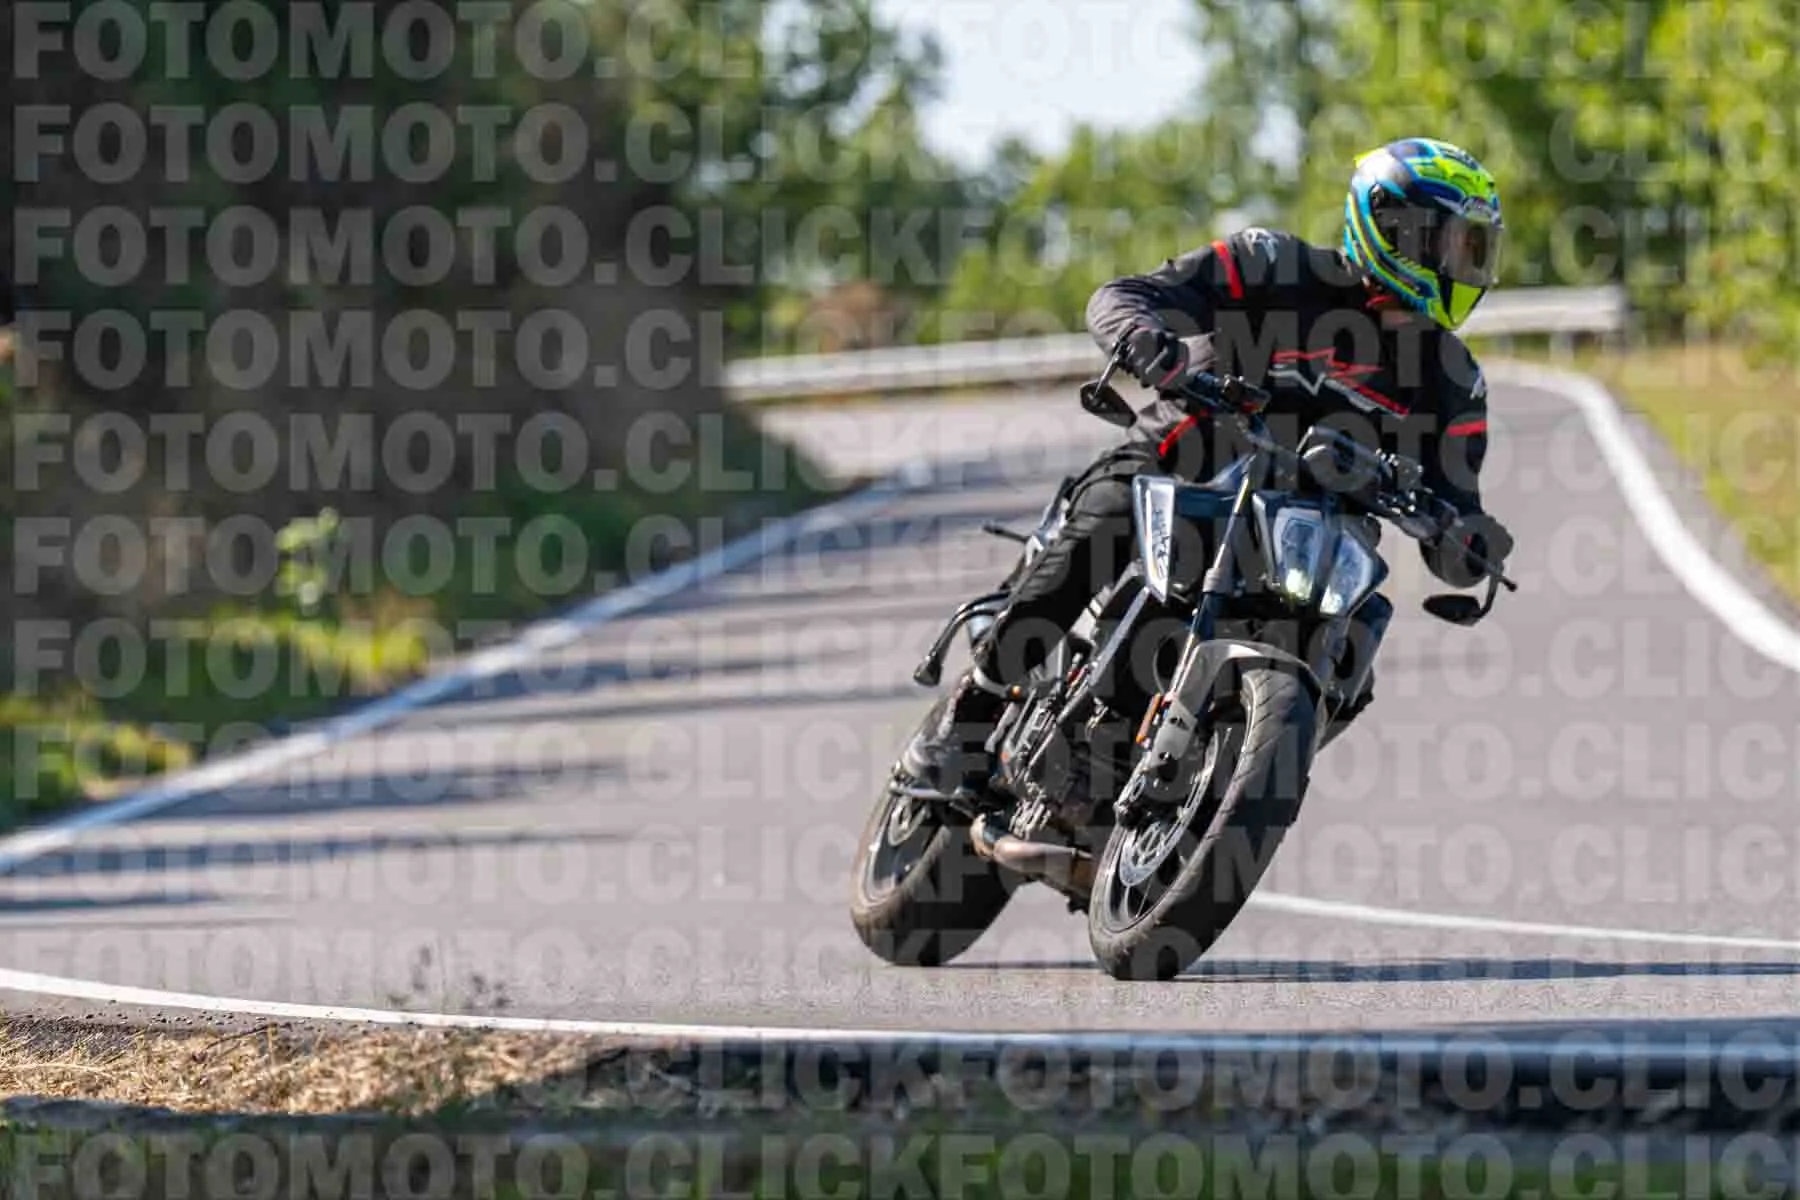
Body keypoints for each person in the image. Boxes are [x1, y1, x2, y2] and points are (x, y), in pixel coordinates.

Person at [905, 136, 1516, 793]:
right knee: (1107, 521)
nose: (1465, 264)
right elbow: (1123, 295)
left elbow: (1457, 501)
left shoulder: (1452, 378)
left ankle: (1220, 782)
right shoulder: (1273, 266)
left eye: (1475, 248)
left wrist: (1470, 543)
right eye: (1452, 242)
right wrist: (1146, 340)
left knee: (1354, 655)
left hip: (1308, 535)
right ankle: (973, 709)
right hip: (1183, 464)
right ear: (1391, 227)